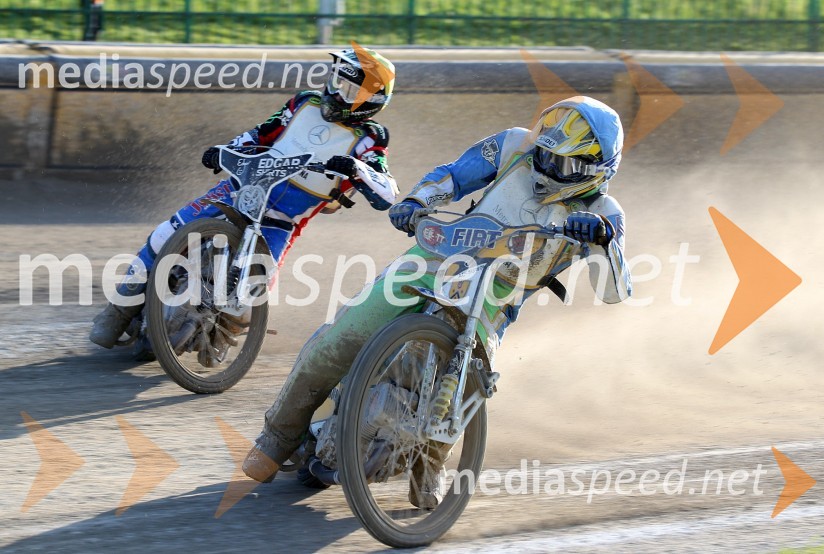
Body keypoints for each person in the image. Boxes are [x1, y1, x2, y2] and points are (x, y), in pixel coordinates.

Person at [241, 96, 634, 507]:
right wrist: (417, 202)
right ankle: (278, 438)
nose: (549, 166)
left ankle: (430, 464)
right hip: (432, 259)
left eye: (566, 164)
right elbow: (452, 176)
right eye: (546, 152)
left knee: (466, 383)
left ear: (597, 170)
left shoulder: (605, 212)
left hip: (493, 300)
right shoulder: (515, 145)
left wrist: (604, 241)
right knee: (340, 337)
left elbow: (614, 291)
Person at [89, 47, 398, 355]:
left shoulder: (372, 136)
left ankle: (220, 334)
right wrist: (224, 149)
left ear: (370, 99)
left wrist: (357, 168)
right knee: (163, 236)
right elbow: (260, 133)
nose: (335, 91)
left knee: (253, 300)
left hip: (281, 221)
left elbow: (387, 191)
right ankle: (117, 311)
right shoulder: (304, 101)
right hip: (238, 190)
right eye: (335, 81)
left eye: (348, 89)